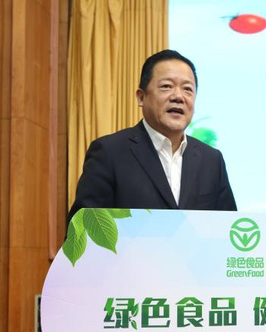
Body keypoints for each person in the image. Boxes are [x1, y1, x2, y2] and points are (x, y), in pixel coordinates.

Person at [68, 49, 237, 223]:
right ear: (141, 97)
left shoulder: (212, 161)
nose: (178, 97)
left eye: (187, 89)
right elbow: (83, 230)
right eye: (166, 86)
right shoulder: (109, 152)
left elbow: (227, 229)